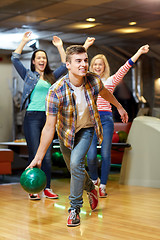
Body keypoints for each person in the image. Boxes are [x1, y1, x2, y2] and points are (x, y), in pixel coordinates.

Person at [27, 44, 128, 227]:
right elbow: (49, 127)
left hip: (87, 129)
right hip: (66, 133)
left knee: (75, 164)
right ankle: (91, 188)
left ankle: (74, 209)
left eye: (85, 60)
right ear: (68, 64)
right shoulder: (56, 91)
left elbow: (105, 93)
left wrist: (119, 107)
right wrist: (38, 157)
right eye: (78, 61)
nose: (83, 64)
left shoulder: (93, 80)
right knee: (75, 169)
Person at [86, 44, 150, 197]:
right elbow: (76, 63)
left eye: (100, 64)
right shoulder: (87, 81)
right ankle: (94, 179)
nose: (97, 67)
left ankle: (102, 186)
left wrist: (139, 52)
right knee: (91, 155)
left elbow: (125, 67)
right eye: (95, 64)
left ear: (104, 67)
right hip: (91, 119)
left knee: (106, 153)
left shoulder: (111, 80)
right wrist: (86, 46)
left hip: (106, 119)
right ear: (91, 66)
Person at [11, 31, 67, 200]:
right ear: (34, 61)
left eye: (44, 57)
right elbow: (14, 58)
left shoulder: (51, 77)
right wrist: (23, 41)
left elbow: (65, 65)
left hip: (49, 118)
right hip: (32, 118)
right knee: (35, 153)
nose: (42, 60)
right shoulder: (28, 75)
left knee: (47, 155)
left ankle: (47, 187)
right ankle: (33, 188)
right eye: (39, 58)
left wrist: (60, 47)